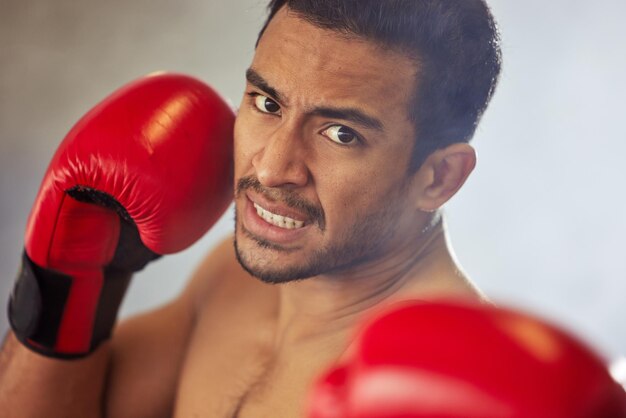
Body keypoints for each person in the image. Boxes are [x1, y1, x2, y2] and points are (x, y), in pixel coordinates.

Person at [0, 0, 546, 416]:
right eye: (267, 103)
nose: (271, 168)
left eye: (340, 133)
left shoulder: (457, 387)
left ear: (439, 176)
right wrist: (68, 283)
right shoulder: (235, 282)